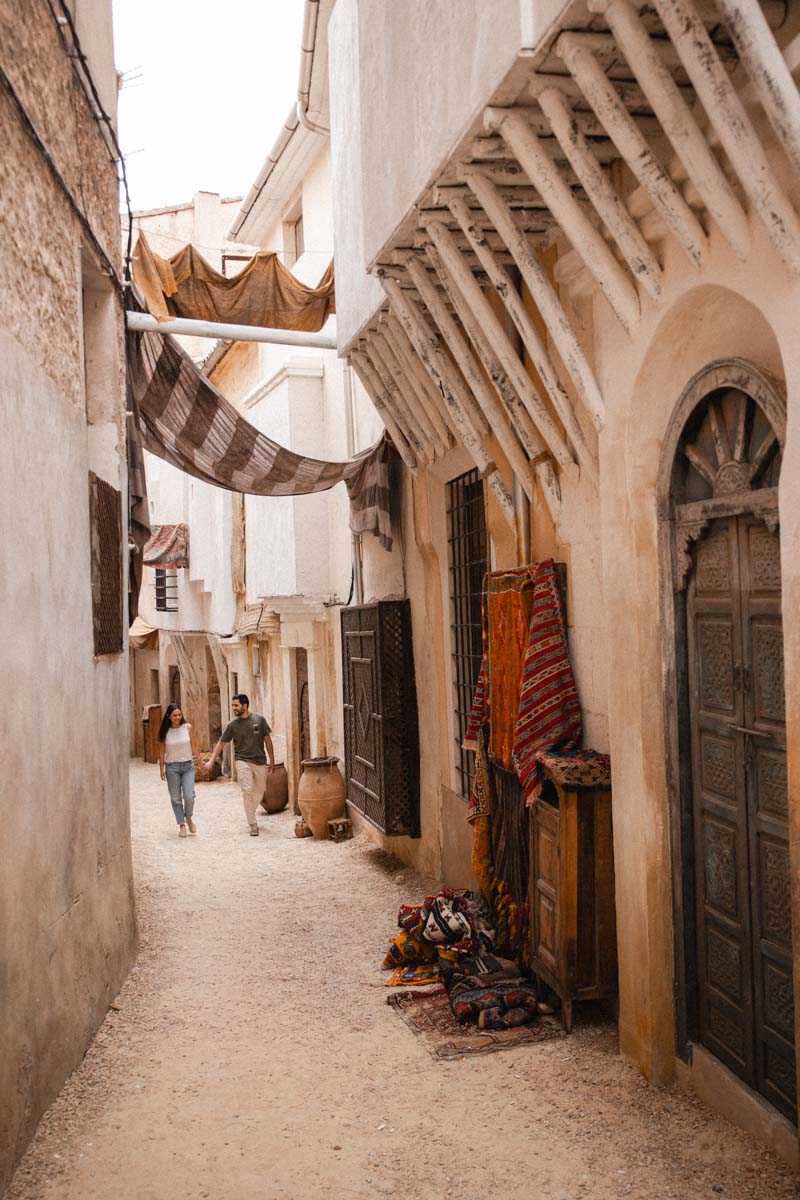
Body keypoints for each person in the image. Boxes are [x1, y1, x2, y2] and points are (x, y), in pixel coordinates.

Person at [204, 694, 274, 836]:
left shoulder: (259, 720)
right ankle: (253, 824)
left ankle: (250, 811)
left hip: (260, 760)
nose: (234, 708)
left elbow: (267, 740)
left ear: (245, 705)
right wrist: (211, 760)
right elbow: (221, 743)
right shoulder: (232, 725)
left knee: (260, 791)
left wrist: (272, 761)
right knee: (247, 790)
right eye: (233, 705)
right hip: (242, 760)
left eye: (236, 705)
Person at [157, 704, 199, 838]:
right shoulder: (165, 731)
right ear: (168, 716)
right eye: (174, 715)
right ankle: (181, 824)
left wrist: (200, 760)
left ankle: (189, 818)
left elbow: (194, 745)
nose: (177, 717)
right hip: (172, 767)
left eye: (179, 715)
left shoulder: (187, 728)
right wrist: (161, 769)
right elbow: (162, 751)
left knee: (189, 795)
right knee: (175, 798)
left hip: (188, 766)